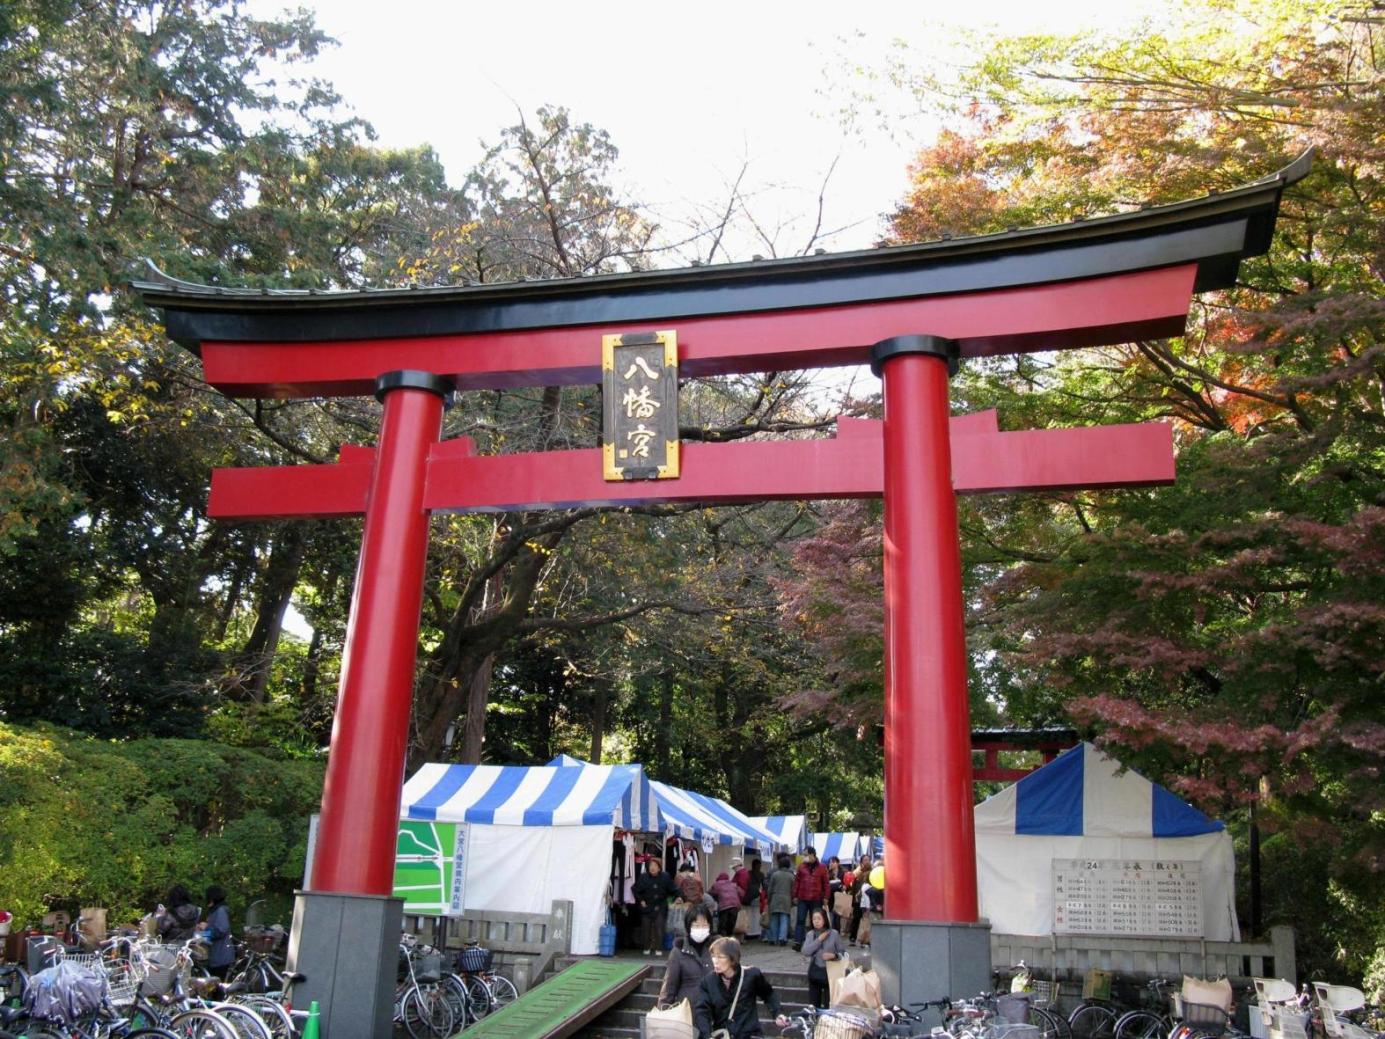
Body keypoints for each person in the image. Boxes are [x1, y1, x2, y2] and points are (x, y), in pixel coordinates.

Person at [693, 937, 788, 1038]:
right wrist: (707, 1035)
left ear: (732, 959)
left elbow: (768, 994)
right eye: (713, 956)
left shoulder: (751, 975)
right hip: (723, 1035)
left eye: (720, 957)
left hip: (749, 1034)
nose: (715, 961)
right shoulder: (708, 981)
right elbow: (702, 1011)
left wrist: (778, 1013)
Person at [658, 904, 716, 1008]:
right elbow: (669, 987)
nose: (701, 929)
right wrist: (663, 1010)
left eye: (704, 925)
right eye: (696, 925)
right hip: (688, 1010)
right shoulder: (678, 952)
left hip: (714, 1010)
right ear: (688, 926)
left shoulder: (717, 948)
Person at [801, 906, 846, 1009]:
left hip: (830, 974)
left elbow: (845, 955)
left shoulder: (834, 934)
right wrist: (819, 940)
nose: (816, 921)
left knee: (828, 1005)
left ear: (824, 919)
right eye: (814, 919)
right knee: (813, 1005)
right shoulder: (810, 934)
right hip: (815, 972)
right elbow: (805, 951)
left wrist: (834, 956)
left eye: (819, 919)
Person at [633, 858, 677, 956]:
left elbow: (674, 889)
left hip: (660, 906)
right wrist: (641, 900)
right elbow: (635, 890)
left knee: (659, 928)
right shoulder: (643, 877)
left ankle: (658, 948)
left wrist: (678, 898)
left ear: (659, 868)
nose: (652, 868)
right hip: (647, 906)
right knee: (646, 929)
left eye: (655, 866)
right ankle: (646, 947)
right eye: (651, 865)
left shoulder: (665, 877)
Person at [791, 846, 828, 948]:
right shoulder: (801, 867)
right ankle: (798, 942)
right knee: (800, 920)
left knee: (816, 920)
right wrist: (795, 895)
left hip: (816, 898)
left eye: (806, 855)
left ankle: (817, 941)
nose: (804, 857)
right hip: (803, 897)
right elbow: (797, 882)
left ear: (812, 855)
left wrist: (826, 897)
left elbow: (826, 884)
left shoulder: (822, 867)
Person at [201, 885, 235, 978]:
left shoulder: (220, 910)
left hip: (222, 956)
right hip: (216, 955)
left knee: (218, 986)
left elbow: (221, 929)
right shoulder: (215, 911)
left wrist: (206, 929)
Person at [765, 853, 794, 946]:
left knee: (774, 919)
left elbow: (770, 888)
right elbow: (793, 889)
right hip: (786, 899)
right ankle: (782, 938)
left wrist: (768, 899)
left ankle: (773, 938)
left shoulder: (775, 874)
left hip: (775, 898)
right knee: (784, 919)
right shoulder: (791, 876)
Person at [846, 855, 872, 946]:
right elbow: (852, 886)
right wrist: (853, 899)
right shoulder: (857, 873)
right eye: (865, 860)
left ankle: (866, 939)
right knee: (856, 919)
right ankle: (853, 937)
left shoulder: (873, 872)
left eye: (868, 860)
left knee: (866, 920)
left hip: (867, 899)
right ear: (861, 862)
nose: (867, 861)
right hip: (858, 899)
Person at [710, 870, 742, 937]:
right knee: (731, 924)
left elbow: (711, 893)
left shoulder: (716, 884)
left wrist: (716, 899)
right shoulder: (733, 884)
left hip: (724, 906)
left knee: (722, 924)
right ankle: (729, 937)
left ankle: (722, 939)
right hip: (735, 905)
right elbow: (741, 893)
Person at [742, 859, 764, 941]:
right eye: (759, 865)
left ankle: (750, 932)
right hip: (754, 896)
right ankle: (753, 932)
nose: (759, 867)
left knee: (750, 915)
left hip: (749, 897)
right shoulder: (760, 874)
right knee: (753, 916)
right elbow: (763, 885)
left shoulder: (748, 873)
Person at [825, 857, 845, 932]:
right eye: (830, 862)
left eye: (833, 862)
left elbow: (846, 883)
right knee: (831, 917)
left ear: (837, 863)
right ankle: (833, 933)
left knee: (837, 918)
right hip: (830, 897)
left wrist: (844, 886)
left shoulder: (842, 872)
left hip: (839, 897)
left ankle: (837, 933)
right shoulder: (827, 873)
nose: (831, 864)